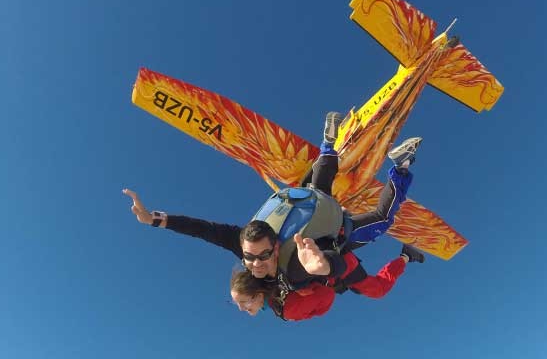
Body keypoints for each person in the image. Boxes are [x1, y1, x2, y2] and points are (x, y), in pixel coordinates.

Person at [123, 112, 422, 293]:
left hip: (337, 228)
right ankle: (329, 143)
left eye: (260, 257)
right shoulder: (243, 246)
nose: (255, 264)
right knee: (320, 185)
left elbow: (330, 264)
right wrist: (156, 219)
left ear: (276, 247)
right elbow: (202, 229)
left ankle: (401, 166)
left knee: (383, 219)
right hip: (310, 202)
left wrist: (323, 267)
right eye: (250, 258)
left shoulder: (293, 268)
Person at [230, 244, 426, 321]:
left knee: (378, 289)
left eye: (244, 303)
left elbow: (327, 295)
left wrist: (319, 307)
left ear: (258, 294)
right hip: (321, 247)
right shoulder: (265, 268)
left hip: (338, 268)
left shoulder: (286, 309)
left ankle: (406, 255)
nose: (242, 309)